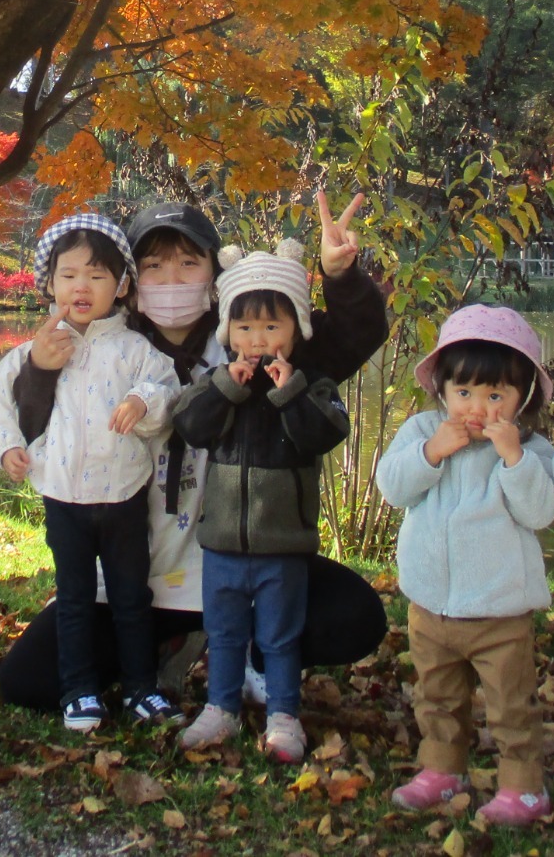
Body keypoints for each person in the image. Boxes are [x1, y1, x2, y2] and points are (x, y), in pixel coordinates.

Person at [0, 192, 391, 712]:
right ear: (130, 284)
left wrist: (341, 278)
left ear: (213, 275)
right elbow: (30, 430)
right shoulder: (99, 349)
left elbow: (349, 340)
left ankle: (254, 652)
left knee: (354, 615)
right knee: (28, 681)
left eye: (189, 263)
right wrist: (41, 373)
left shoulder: (249, 343)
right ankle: (164, 647)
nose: (173, 280)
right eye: (154, 267)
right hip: (133, 578)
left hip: (237, 568)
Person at [0, 212, 182, 733]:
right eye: (68, 275)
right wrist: (6, 452)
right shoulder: (34, 352)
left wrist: (142, 401)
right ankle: (78, 689)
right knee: (73, 597)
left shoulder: (135, 350)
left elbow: (166, 390)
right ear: (49, 283)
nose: (81, 287)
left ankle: (141, 688)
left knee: (132, 598)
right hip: (63, 498)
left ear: (122, 284)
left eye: (96, 275)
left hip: (124, 498)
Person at [376, 305, 554, 826]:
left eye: (495, 395)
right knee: (436, 697)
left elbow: (541, 511)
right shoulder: (422, 429)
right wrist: (430, 454)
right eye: (464, 393)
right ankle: (442, 770)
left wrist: (514, 461)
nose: (478, 408)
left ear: (520, 396)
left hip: (500, 610)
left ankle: (523, 786)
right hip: (430, 603)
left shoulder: (530, 447)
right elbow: (392, 488)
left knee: (511, 704)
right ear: (442, 389)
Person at [171, 242, 351, 763]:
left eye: (272, 328)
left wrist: (290, 391)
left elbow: (324, 435)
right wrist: (226, 388)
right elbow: (190, 426)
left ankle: (283, 715)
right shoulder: (219, 382)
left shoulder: (312, 384)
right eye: (245, 329)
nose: (258, 340)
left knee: (279, 635)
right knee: (223, 631)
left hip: (282, 543)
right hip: (223, 540)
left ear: (296, 331)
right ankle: (220, 707)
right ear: (228, 332)